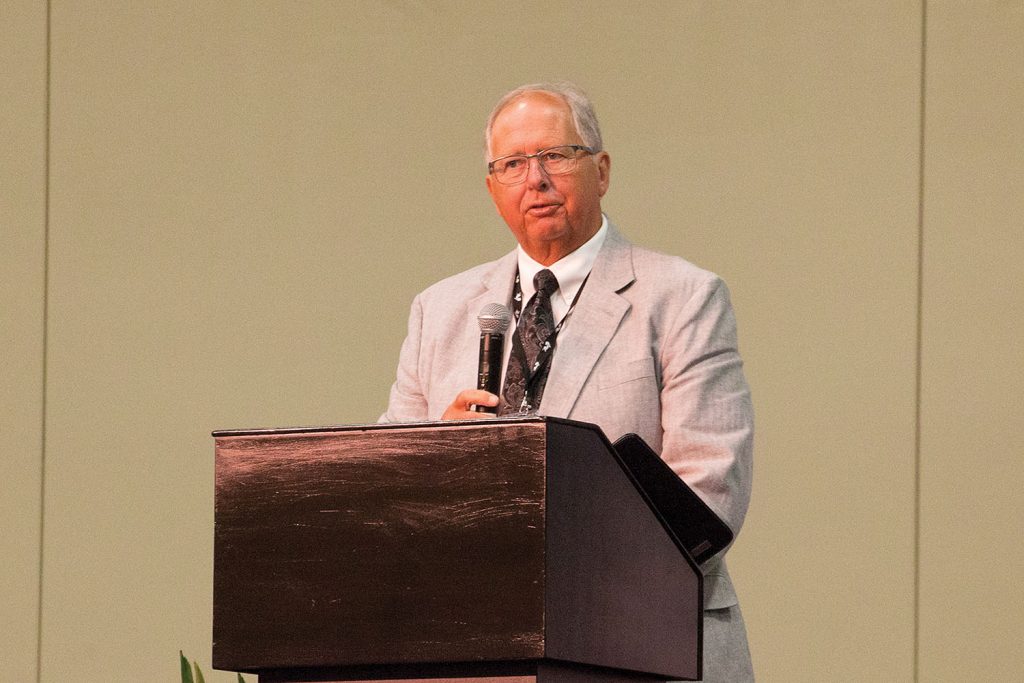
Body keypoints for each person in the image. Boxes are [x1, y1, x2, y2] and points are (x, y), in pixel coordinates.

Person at [381, 82, 754, 682]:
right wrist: (433, 457)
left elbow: (708, 495)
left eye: (556, 155)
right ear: (491, 188)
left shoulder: (683, 298)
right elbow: (383, 492)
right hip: (476, 649)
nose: (536, 178)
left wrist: (560, 580)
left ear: (601, 171)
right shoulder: (439, 309)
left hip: (644, 644)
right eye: (513, 164)